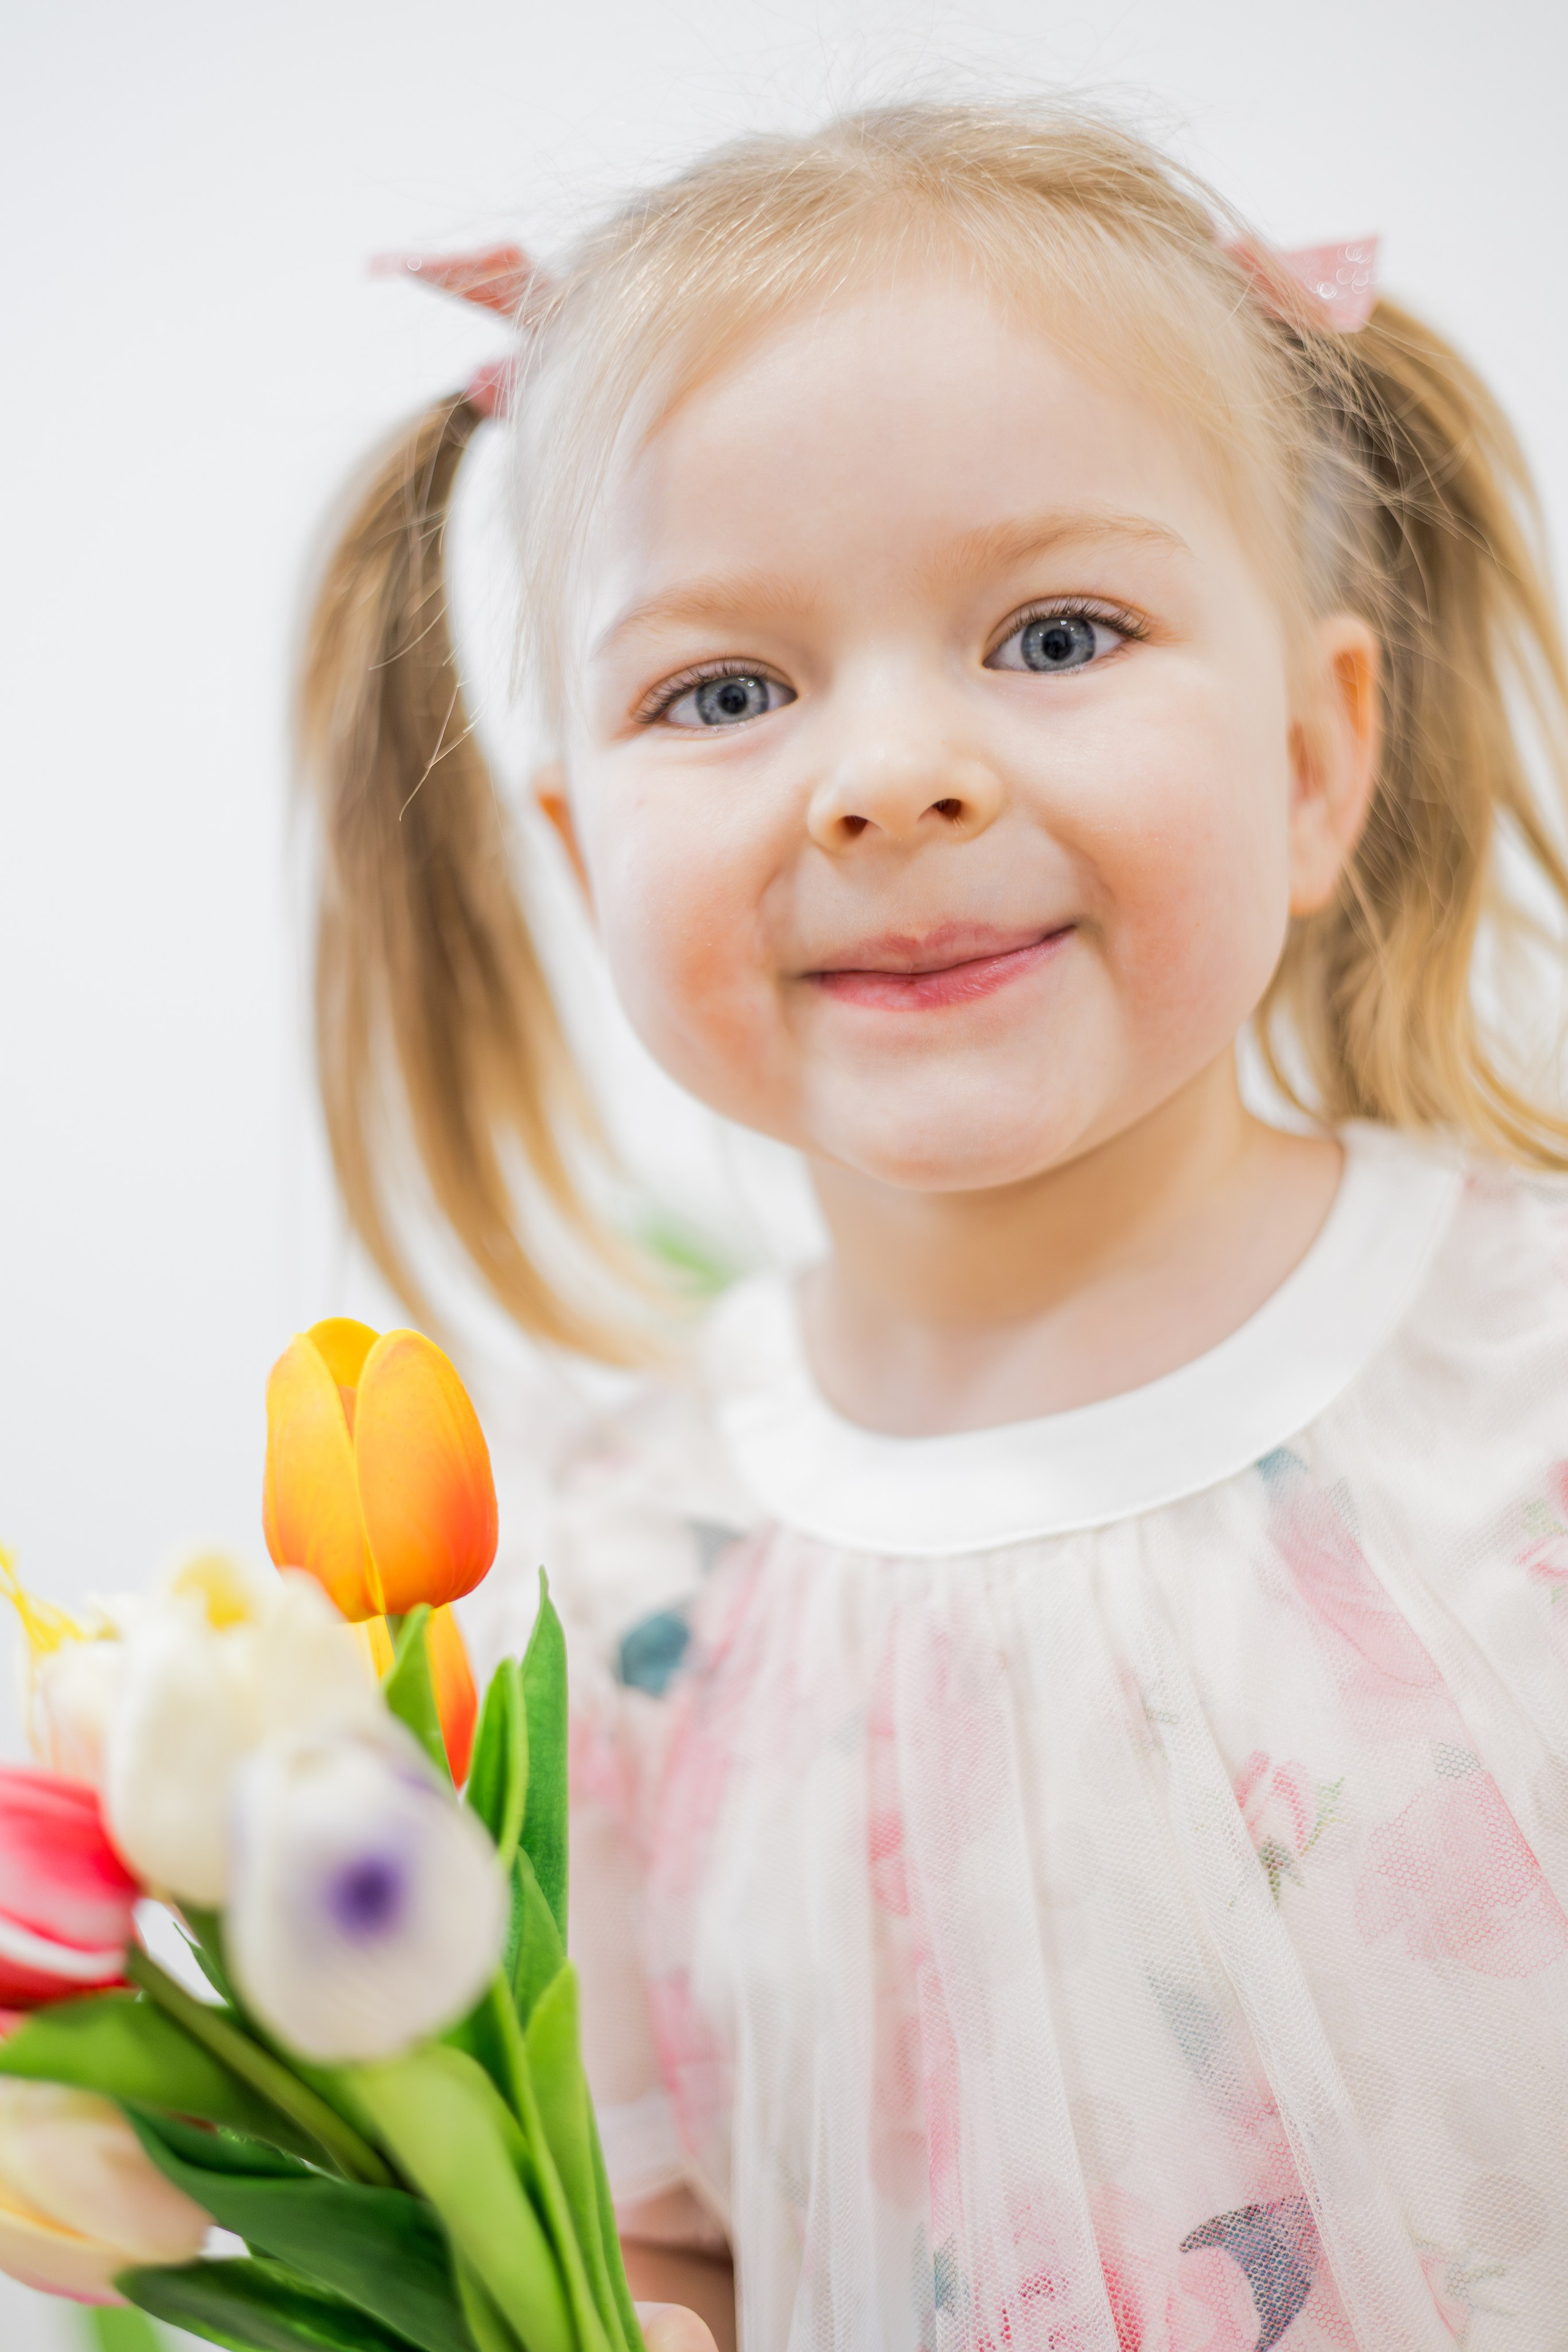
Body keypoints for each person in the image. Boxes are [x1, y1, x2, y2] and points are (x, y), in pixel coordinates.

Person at [298, 100, 1568, 2351]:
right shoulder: (622, 1596)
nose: (892, 774)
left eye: (1057, 634)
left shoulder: (1529, 1383)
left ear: (1311, 755)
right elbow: (668, 2232)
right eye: (728, 691)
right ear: (591, 856)